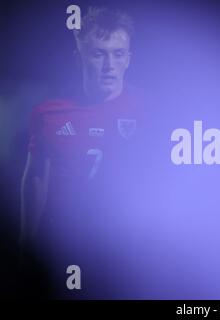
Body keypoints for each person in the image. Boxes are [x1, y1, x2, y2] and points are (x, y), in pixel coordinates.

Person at [20, 6, 145, 298]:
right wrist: (26, 245)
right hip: (66, 248)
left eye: (118, 54)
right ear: (80, 58)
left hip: (129, 253)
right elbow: (36, 178)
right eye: (99, 54)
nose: (109, 65)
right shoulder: (49, 114)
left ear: (129, 58)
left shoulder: (152, 111)